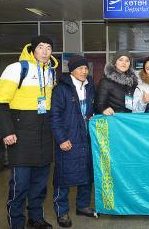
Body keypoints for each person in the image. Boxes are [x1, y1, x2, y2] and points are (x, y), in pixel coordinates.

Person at [0, 35, 58, 229]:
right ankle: (16, 223)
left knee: (39, 185)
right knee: (20, 185)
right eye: (41, 47)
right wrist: (7, 131)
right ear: (32, 49)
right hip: (21, 135)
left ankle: (35, 218)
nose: (45, 51)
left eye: (49, 47)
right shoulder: (16, 69)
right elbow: (0, 103)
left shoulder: (51, 72)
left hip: (44, 135)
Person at [51, 55, 97, 228]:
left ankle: (82, 206)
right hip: (68, 138)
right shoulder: (61, 89)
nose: (84, 71)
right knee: (64, 176)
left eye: (86, 68)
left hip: (86, 137)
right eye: (80, 68)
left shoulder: (90, 86)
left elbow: (92, 108)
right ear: (72, 71)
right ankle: (61, 212)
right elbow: (55, 117)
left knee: (86, 174)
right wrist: (62, 139)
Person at [95, 51, 138, 115]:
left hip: (130, 119)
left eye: (127, 61)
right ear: (115, 63)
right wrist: (104, 109)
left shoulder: (133, 83)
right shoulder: (106, 81)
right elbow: (99, 104)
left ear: (129, 64)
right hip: (114, 120)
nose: (124, 63)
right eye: (121, 60)